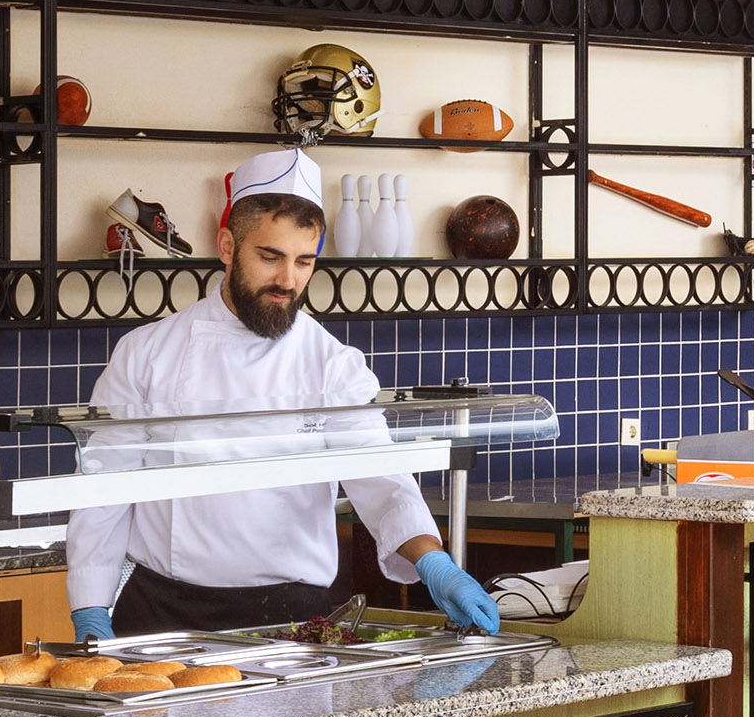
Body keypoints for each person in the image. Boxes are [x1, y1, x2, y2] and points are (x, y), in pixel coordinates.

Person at [66, 147, 502, 641]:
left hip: (293, 617)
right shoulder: (145, 353)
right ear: (228, 246)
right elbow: (103, 491)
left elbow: (380, 479)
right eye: (269, 257)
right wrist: (89, 606)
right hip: (162, 612)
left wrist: (437, 564)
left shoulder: (332, 363)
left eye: (304, 261)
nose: (287, 280)